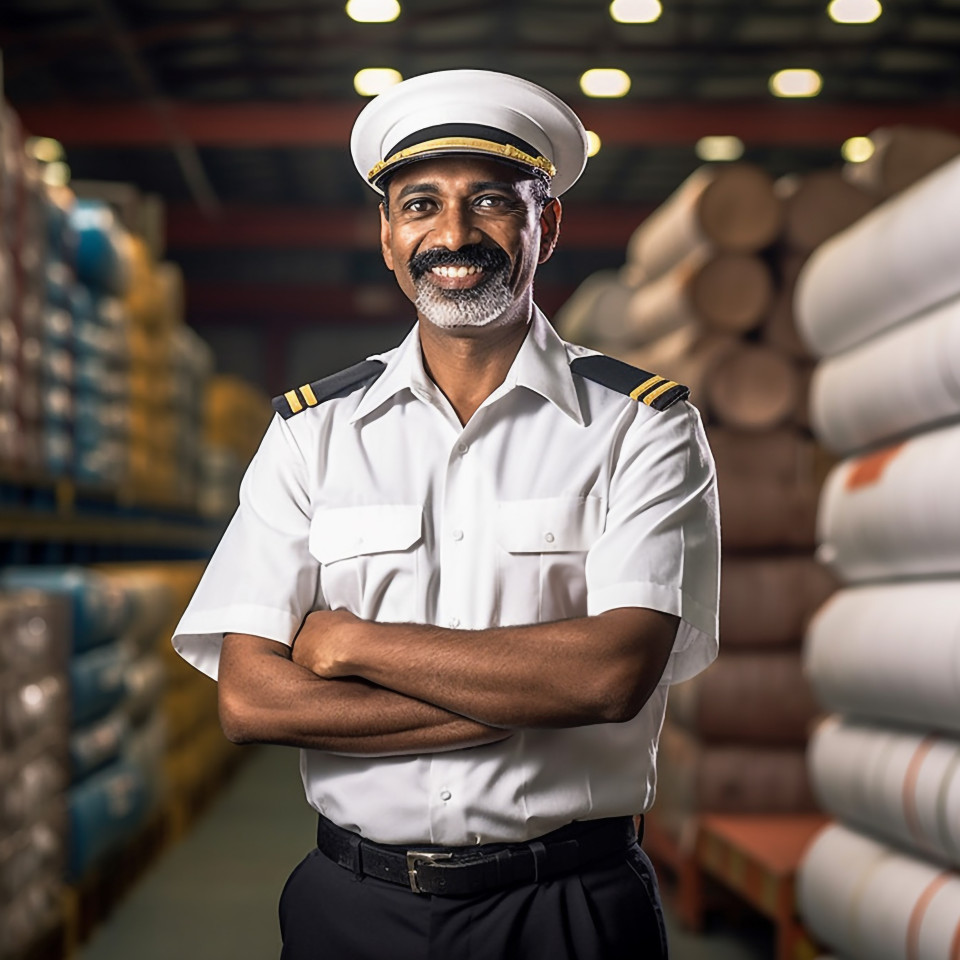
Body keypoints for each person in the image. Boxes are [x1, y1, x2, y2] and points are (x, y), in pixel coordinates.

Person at [173, 68, 720, 960]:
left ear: (549, 223)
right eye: (420, 205)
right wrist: (515, 701)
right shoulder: (311, 436)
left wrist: (351, 645)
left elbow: (610, 677)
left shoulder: (643, 427)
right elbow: (250, 696)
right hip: (351, 909)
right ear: (389, 238)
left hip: (569, 912)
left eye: (494, 201)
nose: (454, 234)